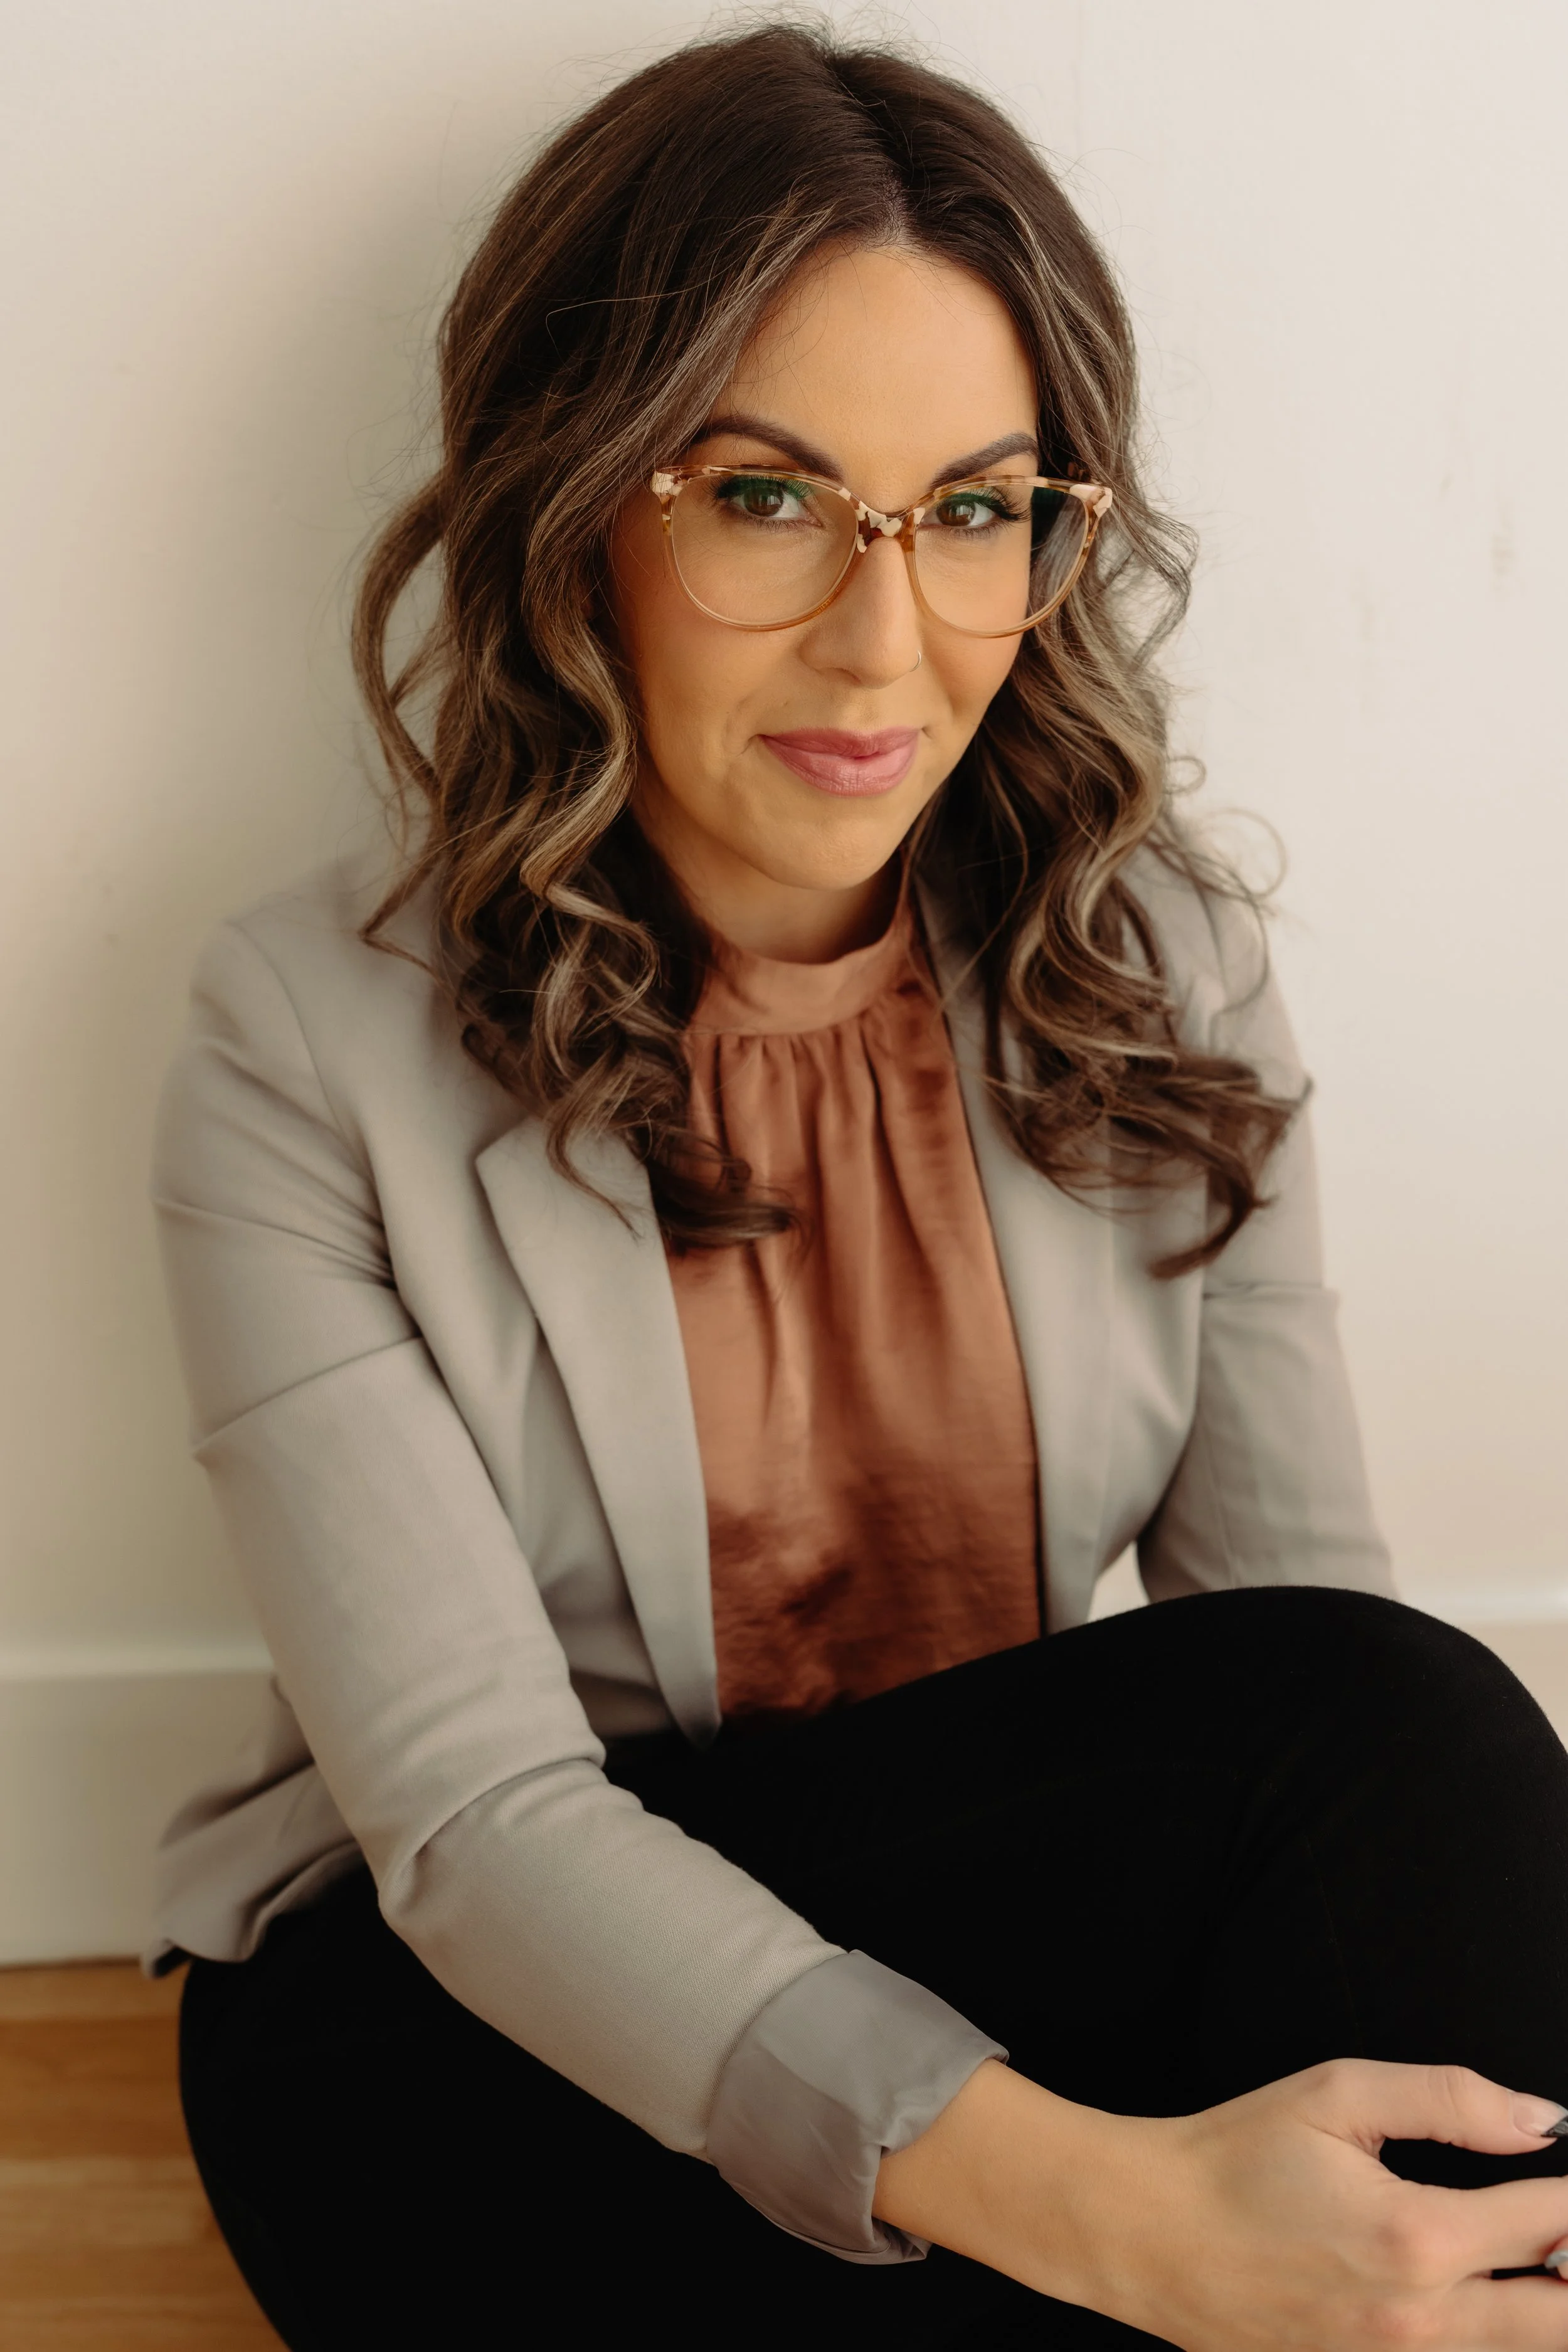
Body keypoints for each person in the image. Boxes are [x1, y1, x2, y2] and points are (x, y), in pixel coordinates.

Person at [149, 24, 1568, 2350]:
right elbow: (486, 1828)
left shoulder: (1164, 967)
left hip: (977, 1946)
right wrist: (1118, 2214)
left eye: (981, 508)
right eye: (764, 495)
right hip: (466, 2034)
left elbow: (1310, 1673)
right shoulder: (304, 1036)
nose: (884, 639)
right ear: (575, 505)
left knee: (1406, 1737)